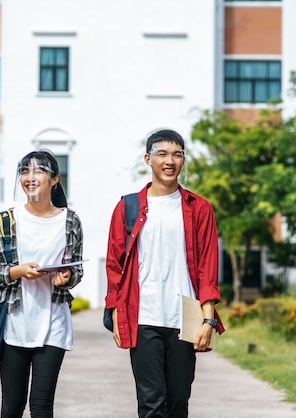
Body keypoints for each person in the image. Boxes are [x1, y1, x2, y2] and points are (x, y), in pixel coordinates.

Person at [105, 129, 224, 417]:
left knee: (179, 401)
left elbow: (208, 268)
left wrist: (208, 318)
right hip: (144, 316)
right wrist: (116, 311)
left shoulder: (200, 208)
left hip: (184, 317)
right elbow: (114, 266)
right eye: (162, 154)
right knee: (151, 403)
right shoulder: (127, 207)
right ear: (148, 159)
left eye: (177, 154)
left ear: (183, 160)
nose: (169, 161)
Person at [0, 149, 84, 418]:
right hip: (13, 325)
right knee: (12, 407)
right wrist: (17, 272)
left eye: (38, 170)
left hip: (54, 325)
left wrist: (67, 278)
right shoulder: (7, 220)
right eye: (24, 171)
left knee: (41, 407)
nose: (30, 176)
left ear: (54, 179)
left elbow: (77, 269)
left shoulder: (70, 220)